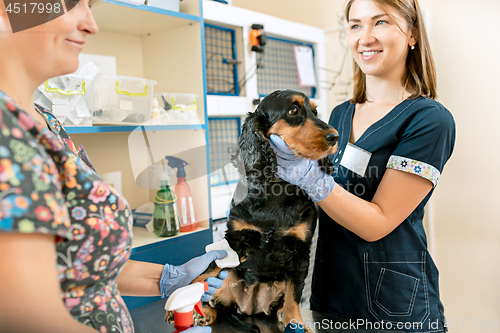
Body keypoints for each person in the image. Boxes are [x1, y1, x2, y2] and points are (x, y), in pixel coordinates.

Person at [0, 1, 227, 332]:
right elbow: (25, 317)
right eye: (71, 4)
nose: (91, 24)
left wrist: (169, 278)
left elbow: (77, 267)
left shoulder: (46, 121)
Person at [268, 0, 455, 332]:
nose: (364, 37)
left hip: (395, 308)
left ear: (412, 34)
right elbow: (316, 206)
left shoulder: (428, 120)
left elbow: (377, 223)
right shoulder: (338, 115)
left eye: (380, 22)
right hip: (333, 299)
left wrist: (310, 178)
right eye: (355, 25)